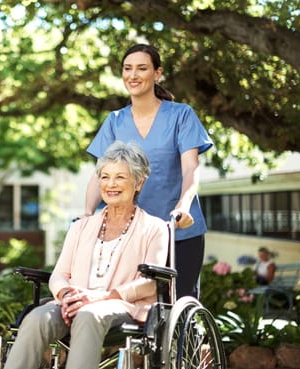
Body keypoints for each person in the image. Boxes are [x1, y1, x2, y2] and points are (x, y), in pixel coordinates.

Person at [0, 141, 169, 369]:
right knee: (36, 318)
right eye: (105, 177)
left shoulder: (155, 228)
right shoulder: (80, 226)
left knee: (89, 314)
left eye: (120, 177)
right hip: (73, 303)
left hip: (122, 305)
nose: (111, 184)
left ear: (138, 182)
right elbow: (59, 274)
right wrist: (67, 294)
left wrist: (97, 297)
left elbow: (149, 284)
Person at [85, 43, 213, 299]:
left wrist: (184, 206)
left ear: (157, 73)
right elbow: (99, 174)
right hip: (131, 233)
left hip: (178, 229)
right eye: (128, 68)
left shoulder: (181, 115)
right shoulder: (115, 121)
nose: (133, 75)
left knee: (179, 304)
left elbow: (190, 168)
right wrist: (88, 213)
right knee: (136, 307)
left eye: (142, 68)